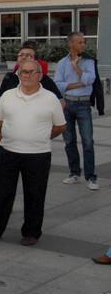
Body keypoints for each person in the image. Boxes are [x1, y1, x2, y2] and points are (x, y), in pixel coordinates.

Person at [0, 59, 66, 246]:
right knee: (1, 193)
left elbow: (60, 126)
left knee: (35, 195)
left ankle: (31, 233)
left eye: (32, 72)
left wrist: (40, 136)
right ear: (19, 74)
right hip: (8, 152)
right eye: (24, 71)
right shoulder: (8, 95)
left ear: (40, 75)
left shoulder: (50, 98)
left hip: (38, 155)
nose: (27, 75)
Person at [54, 32, 98, 190]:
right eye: (80, 42)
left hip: (83, 104)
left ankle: (91, 177)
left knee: (88, 142)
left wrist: (76, 67)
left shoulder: (89, 61)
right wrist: (79, 84)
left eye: (84, 42)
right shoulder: (61, 63)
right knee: (69, 141)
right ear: (71, 44)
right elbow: (58, 85)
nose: (83, 45)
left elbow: (90, 80)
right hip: (67, 105)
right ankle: (74, 173)